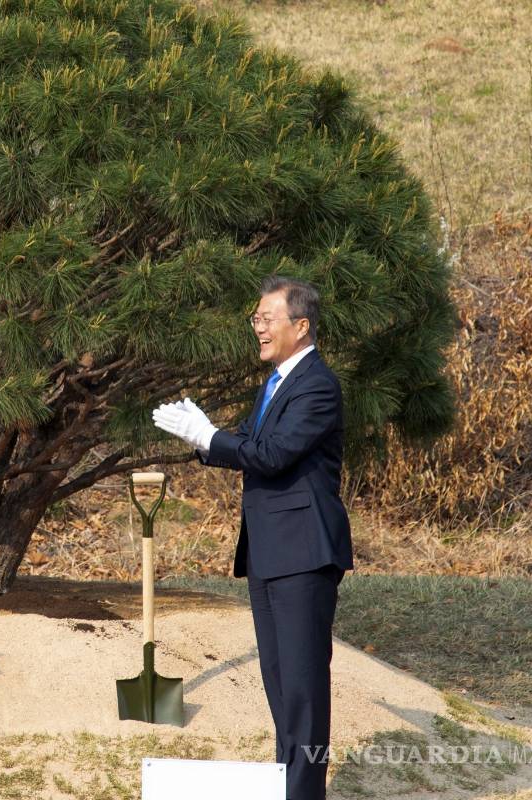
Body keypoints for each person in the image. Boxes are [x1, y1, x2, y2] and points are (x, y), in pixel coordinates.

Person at [153, 275, 352, 800]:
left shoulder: (317, 385)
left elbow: (272, 455)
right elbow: (249, 440)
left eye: (267, 318)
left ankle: (304, 794)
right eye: (256, 318)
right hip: (269, 552)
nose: (258, 327)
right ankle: (288, 786)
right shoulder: (275, 383)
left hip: (304, 553)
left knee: (304, 691)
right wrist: (207, 436)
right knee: (281, 684)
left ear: (301, 325)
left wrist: (209, 438)